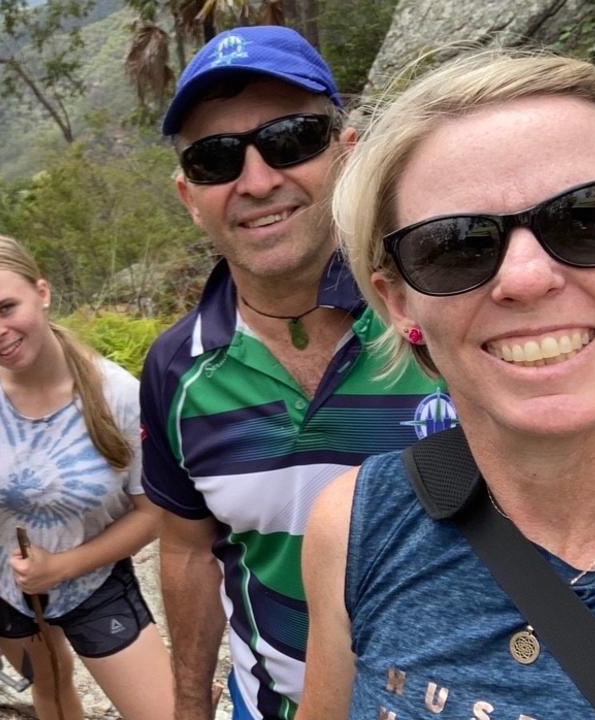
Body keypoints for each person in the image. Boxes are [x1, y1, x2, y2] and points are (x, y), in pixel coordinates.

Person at [298, 49, 595, 718]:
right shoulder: (356, 524)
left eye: (588, 219)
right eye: (456, 246)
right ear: (399, 303)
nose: (528, 278)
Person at [140, 26, 451, 720]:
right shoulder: (174, 368)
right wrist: (190, 707)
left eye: (291, 139)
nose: (257, 181)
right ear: (190, 196)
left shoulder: (443, 312)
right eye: (217, 159)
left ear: (349, 154)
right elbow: (190, 550)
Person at [0, 235, 174, 720]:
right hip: (5, 589)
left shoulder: (119, 397)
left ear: (42, 293)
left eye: (6, 308)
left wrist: (63, 567)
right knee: (53, 695)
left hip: (95, 581)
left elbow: (153, 514)